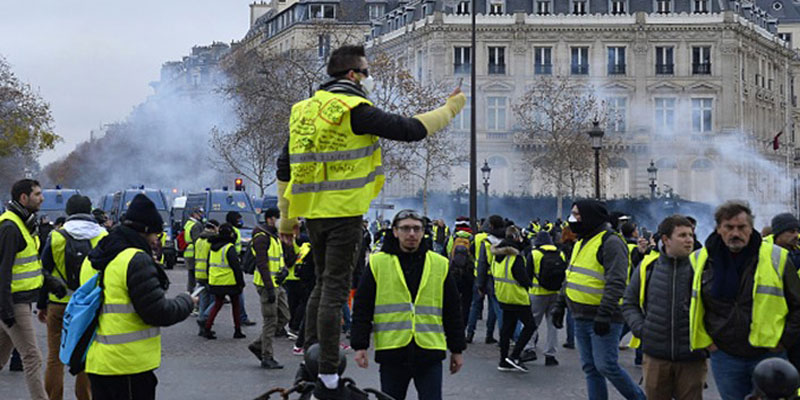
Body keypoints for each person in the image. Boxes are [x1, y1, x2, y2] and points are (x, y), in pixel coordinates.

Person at [275, 44, 466, 399]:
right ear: (352, 75)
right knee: (335, 288)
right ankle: (329, 372)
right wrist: (452, 108)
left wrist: (287, 220)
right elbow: (411, 129)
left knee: (321, 284)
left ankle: (313, 355)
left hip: (311, 209)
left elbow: (284, 166)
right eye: (366, 72)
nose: (369, 79)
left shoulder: (301, 111)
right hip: (344, 208)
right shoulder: (354, 109)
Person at [85, 194, 195, 400]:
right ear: (145, 231)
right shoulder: (135, 259)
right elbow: (157, 312)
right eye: (156, 234)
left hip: (100, 361)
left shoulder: (99, 255)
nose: (157, 240)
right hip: (128, 365)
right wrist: (187, 301)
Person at [688, 201, 800, 400]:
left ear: (751, 228)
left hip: (769, 353)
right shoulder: (699, 260)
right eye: (729, 227)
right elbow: (689, 303)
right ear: (719, 229)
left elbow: (798, 305)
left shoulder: (777, 257)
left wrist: (783, 341)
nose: (735, 233)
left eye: (741, 227)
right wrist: (709, 343)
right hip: (725, 355)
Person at [351, 209, 465, 400]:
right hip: (392, 352)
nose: (411, 234)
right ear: (395, 231)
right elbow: (363, 306)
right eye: (405, 229)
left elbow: (453, 310)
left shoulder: (440, 263)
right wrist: (360, 345)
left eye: (416, 229)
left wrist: (457, 349)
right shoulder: (378, 263)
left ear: (423, 232)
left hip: (429, 352)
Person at [552, 200, 645, 400]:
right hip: (580, 315)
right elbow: (570, 275)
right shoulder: (581, 241)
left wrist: (604, 314)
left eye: (577, 215)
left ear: (590, 216)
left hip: (604, 317)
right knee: (590, 368)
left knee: (606, 365)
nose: (572, 219)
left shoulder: (611, 241)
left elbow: (616, 282)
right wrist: (560, 305)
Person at [622, 215, 707, 400]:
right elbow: (629, 302)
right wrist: (641, 329)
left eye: (691, 235)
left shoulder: (701, 268)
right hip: (656, 357)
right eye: (682, 235)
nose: (689, 240)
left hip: (692, 358)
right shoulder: (648, 267)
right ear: (666, 239)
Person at [38, 194, 107, 400]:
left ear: (68, 212)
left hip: (58, 304)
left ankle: (54, 397)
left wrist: (42, 305)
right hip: (88, 306)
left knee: (54, 358)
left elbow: (45, 272)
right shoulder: (102, 236)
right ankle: (84, 397)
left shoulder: (56, 236)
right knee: (85, 354)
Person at [0, 179, 48, 399]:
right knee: (32, 357)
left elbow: (29, 264)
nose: (42, 198)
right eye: (37, 194)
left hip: (17, 301)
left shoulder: (23, 224)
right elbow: (3, 272)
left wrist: (48, 281)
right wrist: (6, 310)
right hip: (13, 303)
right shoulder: (11, 227)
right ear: (23, 198)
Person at [248, 208, 290, 369]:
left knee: (285, 316)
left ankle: (259, 344)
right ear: (270, 219)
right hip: (267, 285)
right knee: (270, 320)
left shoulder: (274, 236)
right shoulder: (261, 237)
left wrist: (284, 270)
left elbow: (279, 259)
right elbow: (262, 264)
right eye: (278, 218)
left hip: (276, 283)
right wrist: (269, 287)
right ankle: (267, 356)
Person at [492, 226, 536, 372]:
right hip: (517, 297)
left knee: (507, 328)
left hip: (503, 295)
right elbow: (522, 278)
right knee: (530, 326)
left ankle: (503, 360)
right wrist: (530, 283)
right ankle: (515, 355)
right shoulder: (515, 258)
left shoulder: (496, 256)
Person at [524, 231, 565, 366]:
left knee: (532, 322)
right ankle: (551, 355)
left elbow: (527, 275)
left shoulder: (534, 254)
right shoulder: (560, 254)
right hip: (556, 293)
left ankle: (529, 349)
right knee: (552, 324)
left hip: (537, 292)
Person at [204, 223, 246, 340]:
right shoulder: (229, 248)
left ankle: (207, 328)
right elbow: (236, 267)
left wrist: (209, 279)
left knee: (217, 305)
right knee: (236, 306)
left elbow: (209, 265)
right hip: (230, 281)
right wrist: (241, 282)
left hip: (216, 281)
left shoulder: (212, 247)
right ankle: (237, 330)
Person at [469, 215, 506, 344]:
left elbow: (473, 254)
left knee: (475, 306)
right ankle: (491, 335)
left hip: (479, 274)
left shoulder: (479, 238)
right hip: (496, 276)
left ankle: (469, 334)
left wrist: (480, 283)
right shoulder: (503, 239)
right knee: (494, 309)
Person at [194, 219, 220, 336]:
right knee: (216, 300)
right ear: (214, 228)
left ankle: (201, 326)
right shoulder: (212, 241)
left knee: (203, 299)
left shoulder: (199, 240)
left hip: (199, 273)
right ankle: (204, 318)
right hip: (209, 273)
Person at [183, 206, 204, 293]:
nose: (201, 215)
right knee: (198, 277)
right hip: (195, 253)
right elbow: (198, 240)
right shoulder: (196, 225)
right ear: (194, 214)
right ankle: (197, 296)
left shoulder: (188, 223)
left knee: (191, 277)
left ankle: (190, 293)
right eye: (200, 213)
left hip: (188, 252)